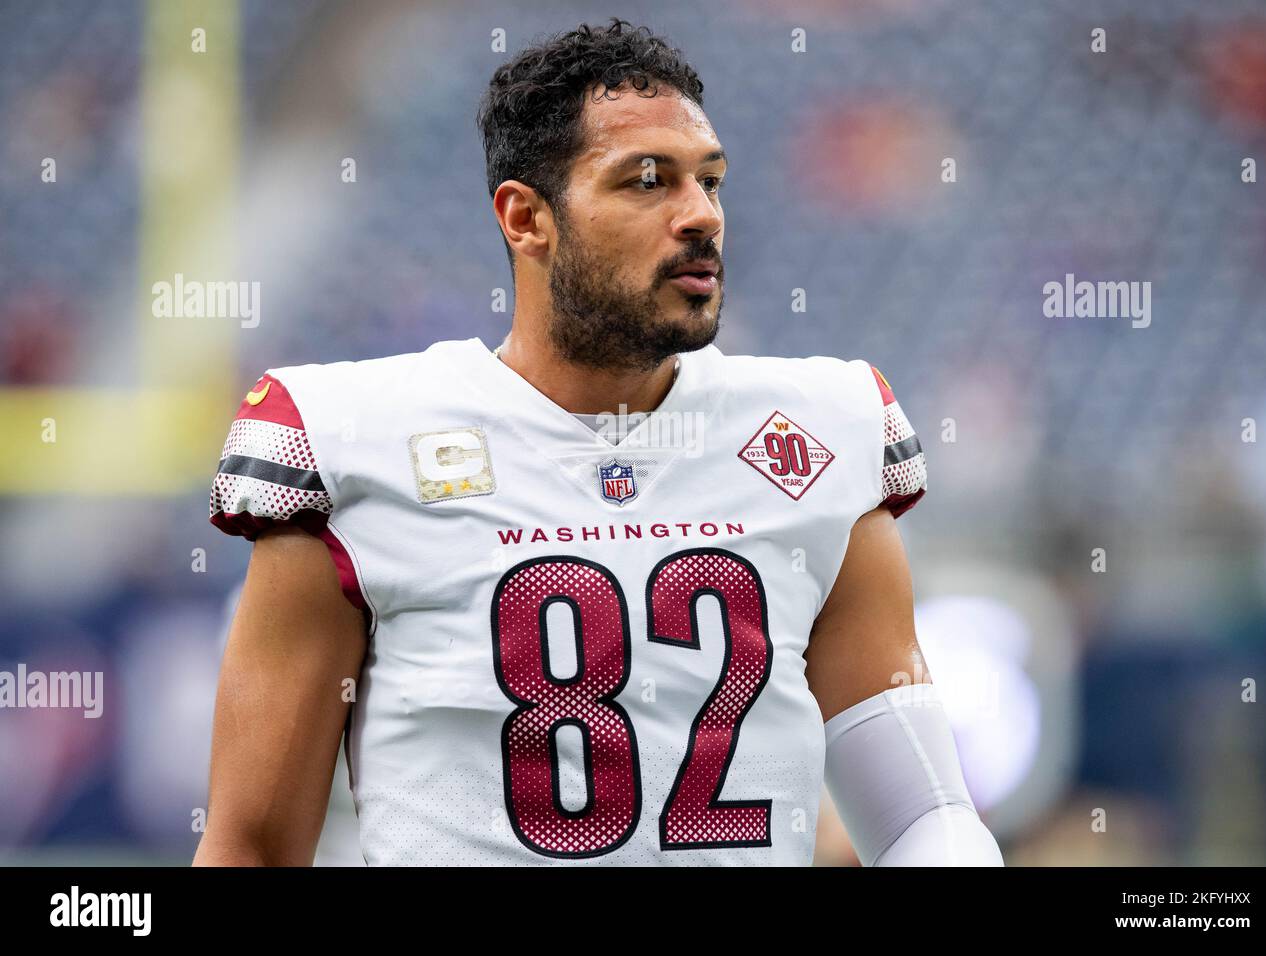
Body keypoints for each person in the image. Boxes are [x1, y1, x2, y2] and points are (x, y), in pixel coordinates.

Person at [194, 18, 1001, 866]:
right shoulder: (355, 440)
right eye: (647, 181)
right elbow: (252, 845)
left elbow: (922, 817)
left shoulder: (818, 431)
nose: (700, 215)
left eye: (710, 181)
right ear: (526, 219)